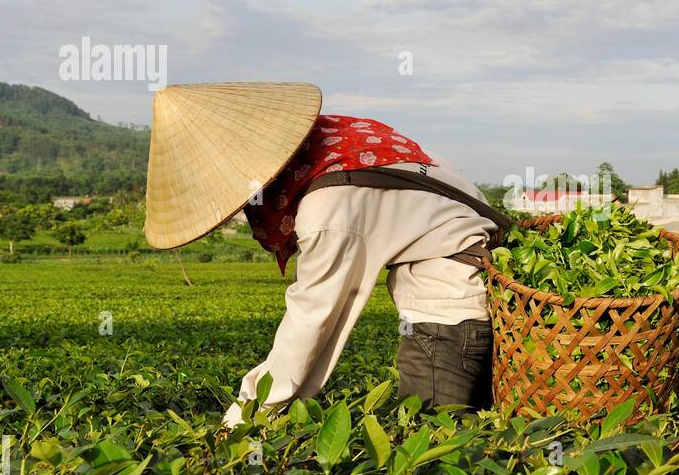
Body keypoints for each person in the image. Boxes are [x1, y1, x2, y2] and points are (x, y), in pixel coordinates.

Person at [142, 83, 508, 428]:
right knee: (478, 435)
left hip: (446, 316)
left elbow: (312, 322)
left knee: (436, 448)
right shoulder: (342, 139)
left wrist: (246, 417)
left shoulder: (328, 208)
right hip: (473, 285)